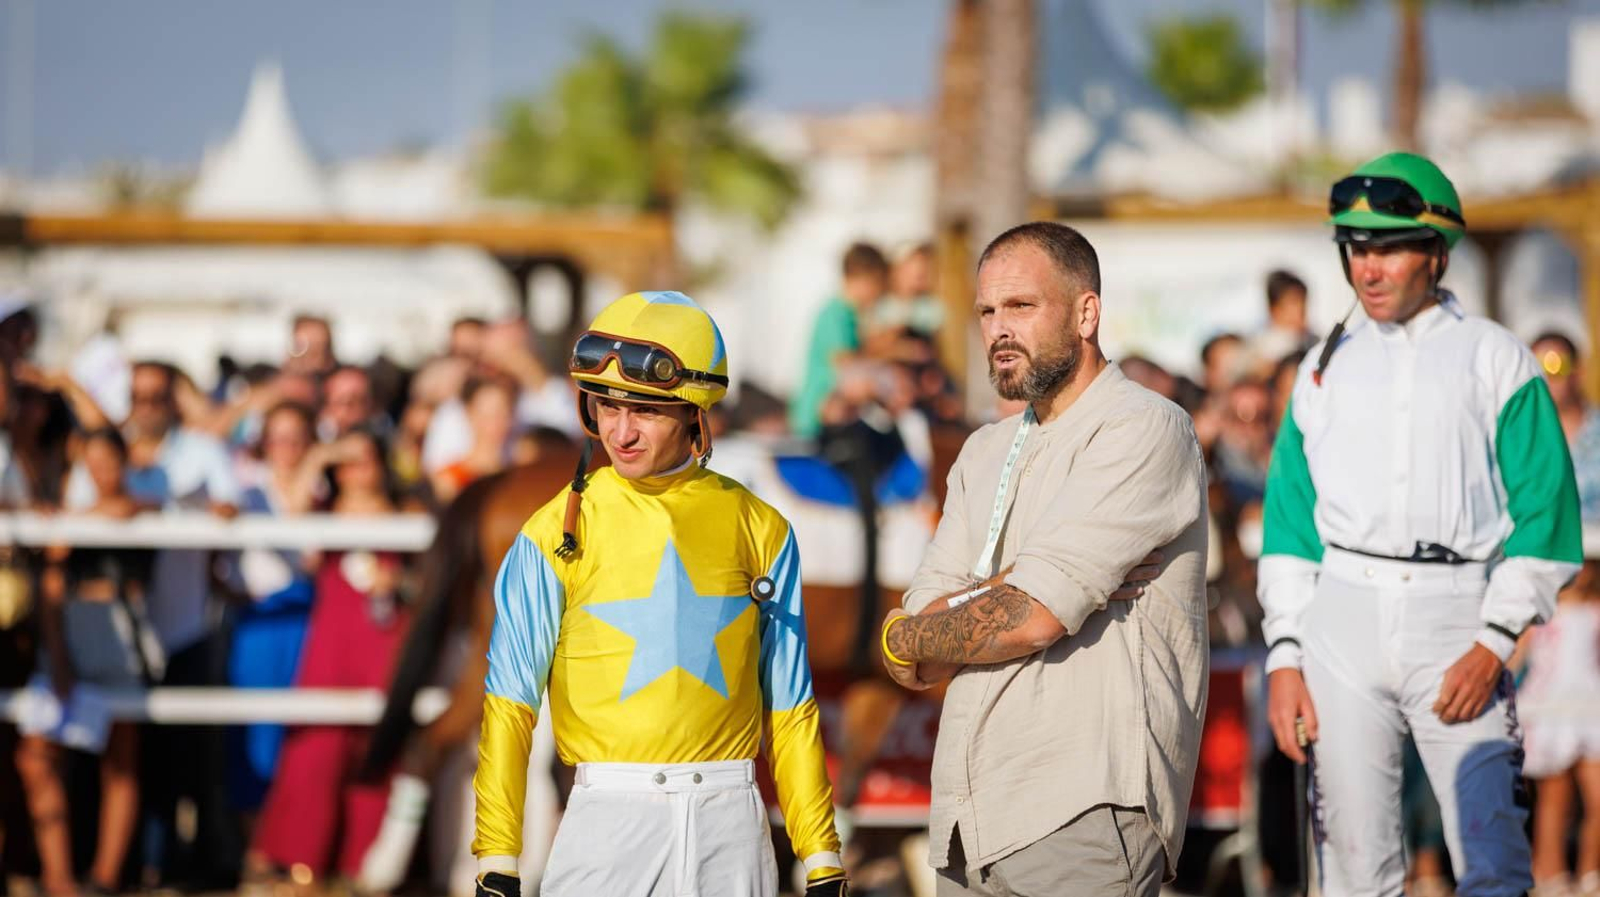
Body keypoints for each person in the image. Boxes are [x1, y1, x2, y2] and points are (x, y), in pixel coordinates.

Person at [1259, 151, 1582, 897]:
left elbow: (1548, 518)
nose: (1368, 268)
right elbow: (1289, 524)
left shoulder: (1500, 360)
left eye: (1389, 246)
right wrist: (1285, 655)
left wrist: (1496, 639)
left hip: (1459, 619)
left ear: (1437, 251)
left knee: (1494, 862)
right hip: (1341, 616)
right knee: (1350, 869)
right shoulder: (1319, 368)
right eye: (1355, 248)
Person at [471, 291, 847, 897]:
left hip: (733, 824)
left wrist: (821, 855)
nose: (621, 431)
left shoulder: (763, 527)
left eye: (646, 409)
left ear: (698, 414)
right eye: (607, 407)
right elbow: (510, 704)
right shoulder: (552, 530)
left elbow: (791, 708)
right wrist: (498, 856)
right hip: (606, 822)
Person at [878, 221, 1210, 897]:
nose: (999, 328)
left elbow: (1031, 617)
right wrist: (997, 596)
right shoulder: (983, 451)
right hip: (969, 819)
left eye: (1021, 306)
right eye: (988, 311)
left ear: (1087, 312)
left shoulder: (1144, 425)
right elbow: (907, 652)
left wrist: (946, 622)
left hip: (1082, 804)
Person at [790, 242, 891, 438]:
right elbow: (846, 366)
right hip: (817, 421)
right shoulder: (835, 314)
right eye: (879, 283)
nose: (880, 293)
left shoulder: (850, 316)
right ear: (863, 279)